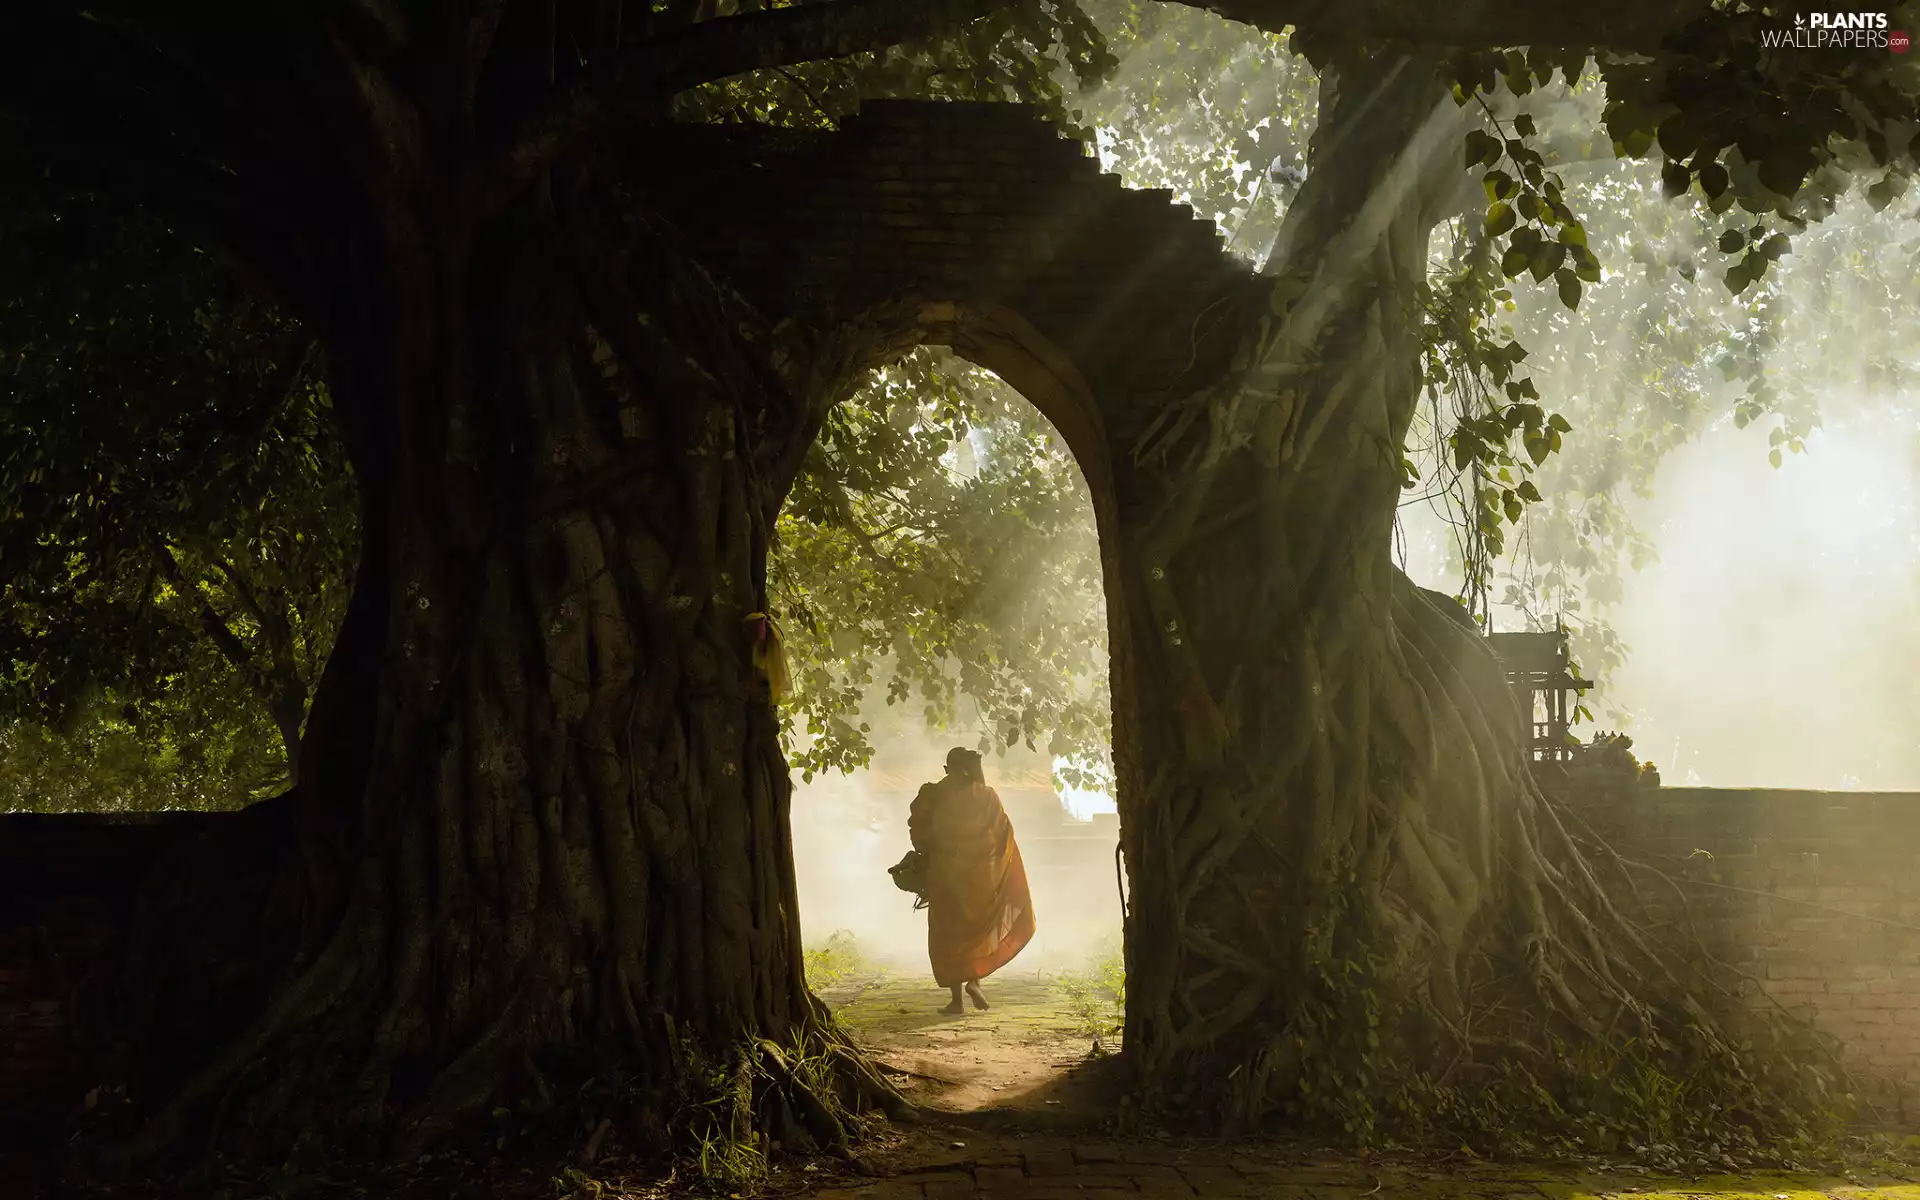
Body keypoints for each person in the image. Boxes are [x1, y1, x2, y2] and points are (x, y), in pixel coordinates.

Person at [908, 747, 1036, 1014]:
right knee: (977, 928)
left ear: (946, 769)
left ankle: (956, 1001)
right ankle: (975, 981)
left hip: (945, 876)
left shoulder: (933, 794)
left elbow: (919, 833)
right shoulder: (986, 796)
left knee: (948, 933)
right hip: (979, 878)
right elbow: (1002, 833)